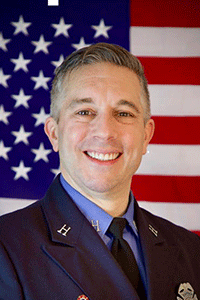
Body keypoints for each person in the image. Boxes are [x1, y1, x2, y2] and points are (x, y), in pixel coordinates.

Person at [0, 43, 200, 300]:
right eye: (84, 111)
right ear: (54, 134)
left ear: (146, 135)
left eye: (123, 113)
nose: (105, 131)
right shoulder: (7, 249)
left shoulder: (190, 251)